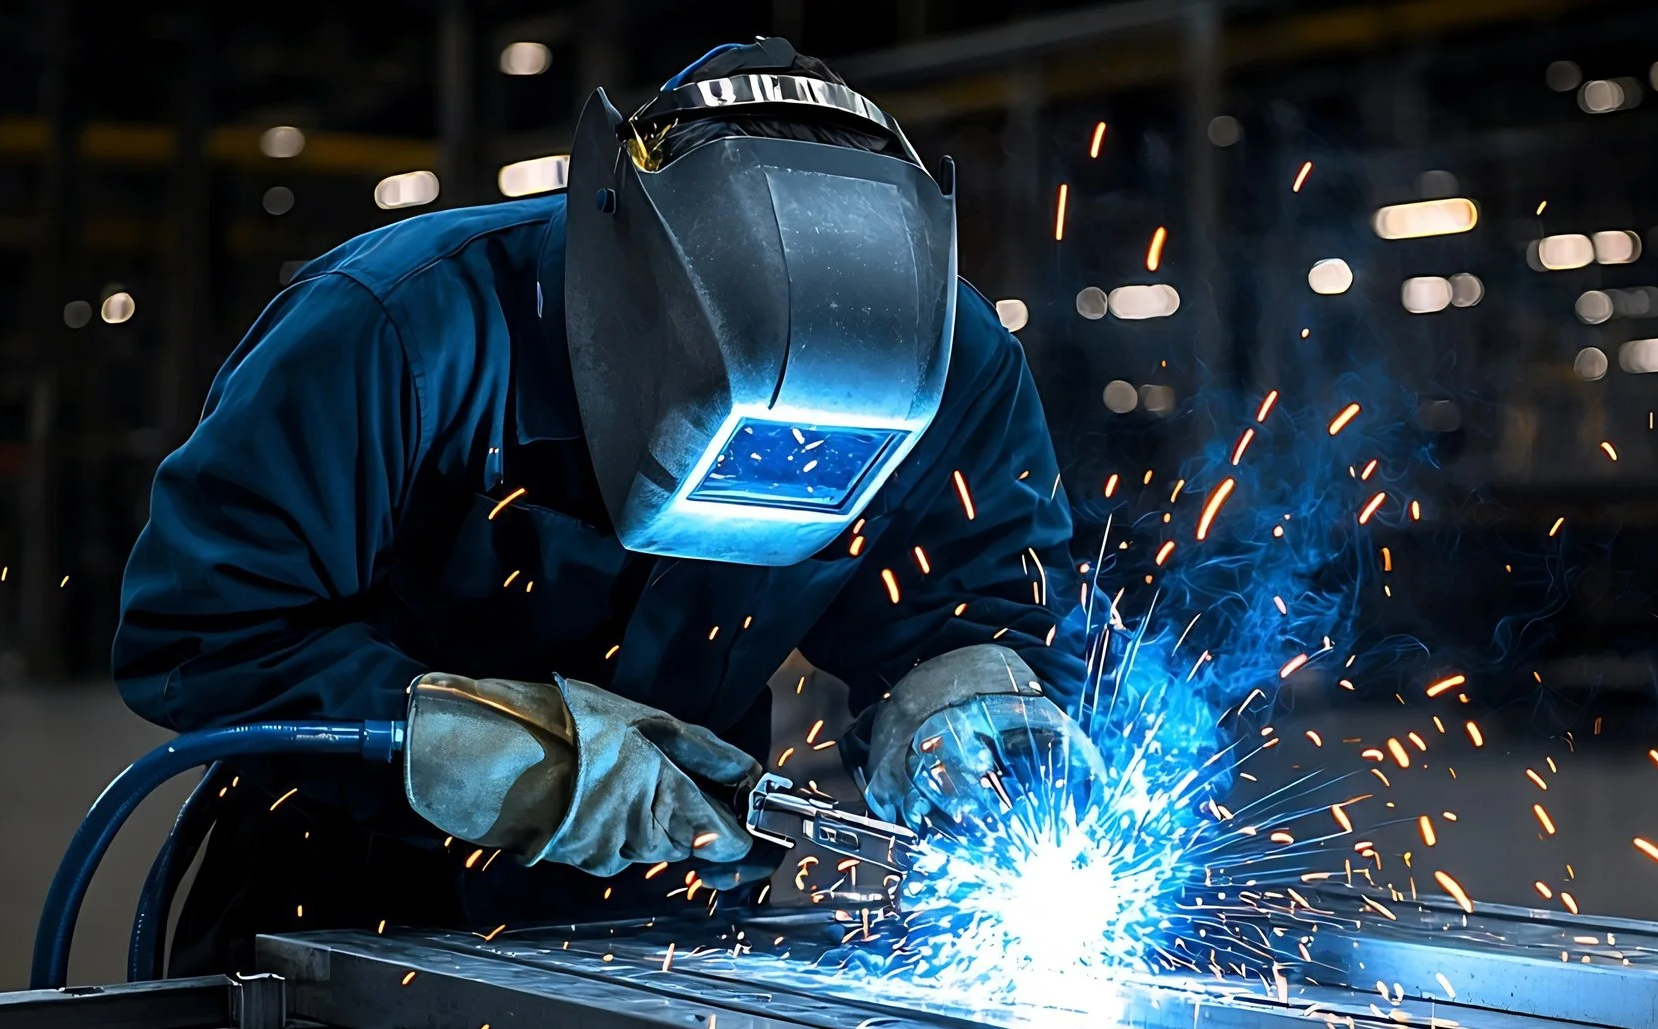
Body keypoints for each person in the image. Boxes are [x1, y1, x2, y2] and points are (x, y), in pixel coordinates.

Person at [113, 39, 1098, 974]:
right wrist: (486, 750)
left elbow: (973, 604)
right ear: (632, 315)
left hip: (670, 918)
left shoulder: (951, 366)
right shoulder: (395, 330)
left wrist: (971, 696)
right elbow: (201, 633)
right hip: (333, 901)